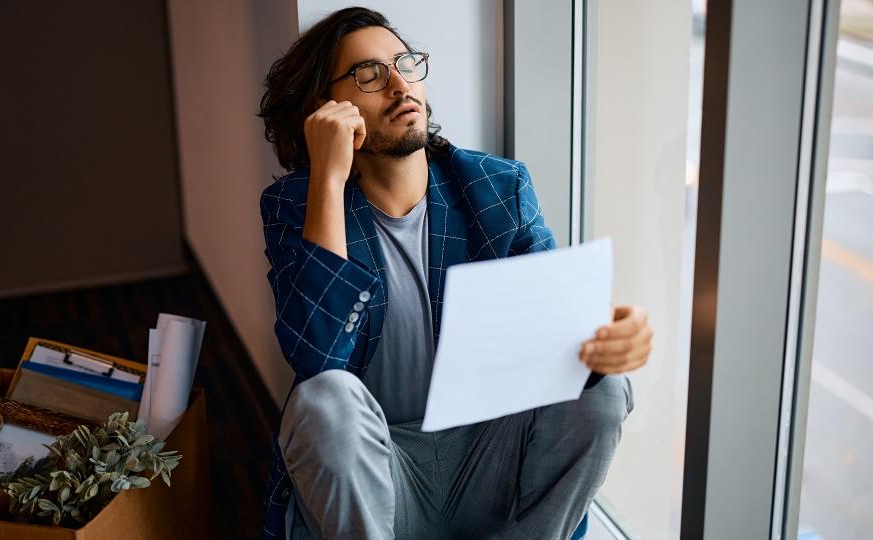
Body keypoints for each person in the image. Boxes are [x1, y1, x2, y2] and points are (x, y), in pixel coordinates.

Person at [257, 7, 652, 539]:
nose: (399, 84)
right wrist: (328, 176)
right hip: (381, 470)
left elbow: (551, 331)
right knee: (321, 401)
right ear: (325, 108)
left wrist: (608, 338)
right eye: (369, 74)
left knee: (602, 387)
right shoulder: (294, 205)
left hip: (486, 459)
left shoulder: (496, 187)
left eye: (406, 63)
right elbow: (317, 358)